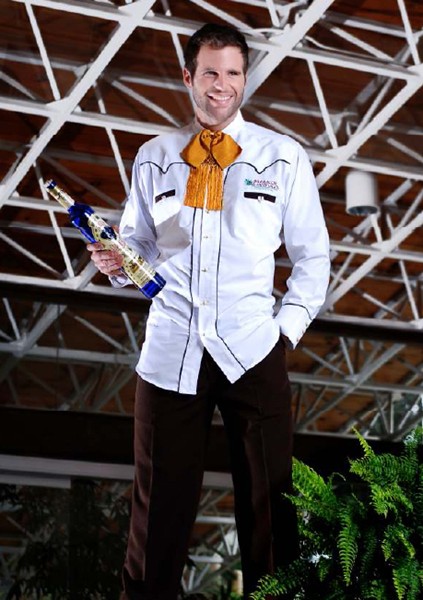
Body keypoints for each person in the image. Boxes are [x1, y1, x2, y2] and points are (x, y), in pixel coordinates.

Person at [87, 23, 330, 600]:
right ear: (189, 77)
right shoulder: (154, 158)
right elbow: (138, 248)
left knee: (271, 506)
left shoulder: (282, 157)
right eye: (211, 73)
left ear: (245, 78)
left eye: (234, 73)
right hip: (171, 349)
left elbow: (313, 256)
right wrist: (116, 262)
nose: (223, 85)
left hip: (254, 347)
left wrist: (285, 332)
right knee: (157, 509)